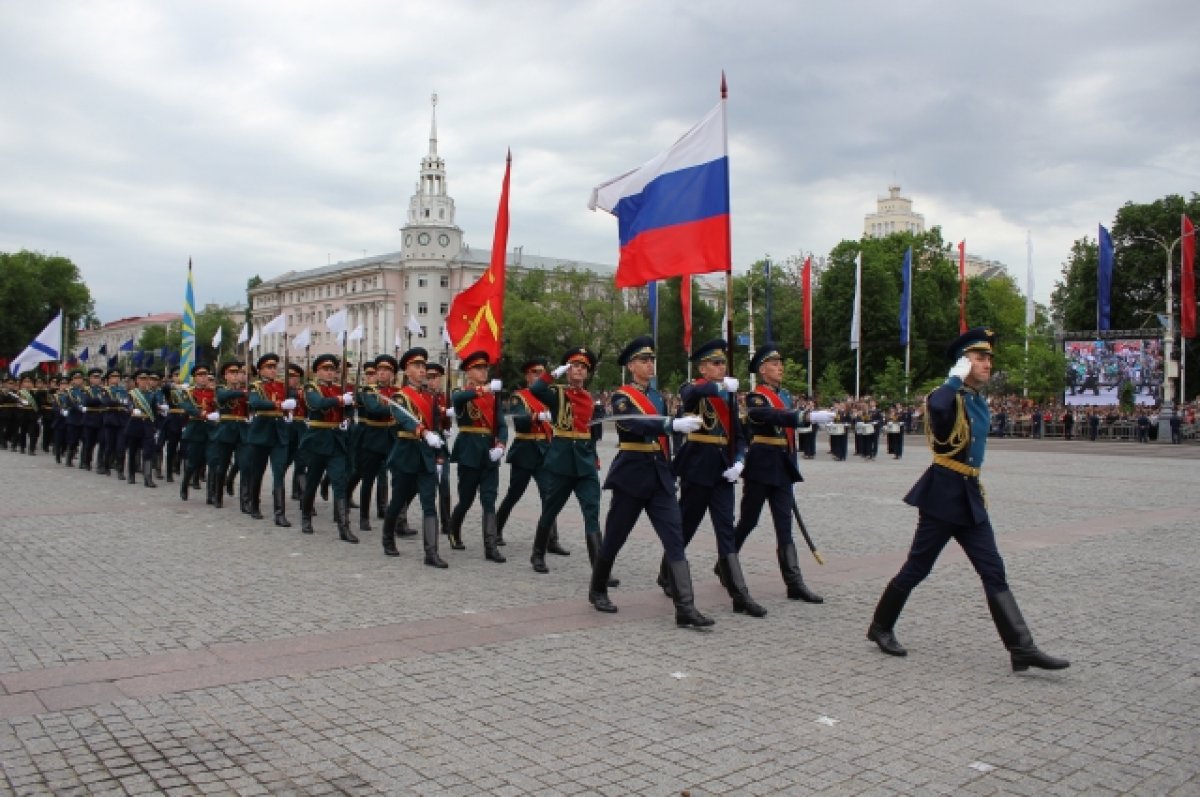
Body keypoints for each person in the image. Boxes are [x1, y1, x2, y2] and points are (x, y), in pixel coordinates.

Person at [866, 328, 1069, 672]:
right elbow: (938, 409)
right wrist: (953, 379)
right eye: (980, 357)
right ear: (963, 362)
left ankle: (1022, 647)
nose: (988, 363)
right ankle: (880, 627)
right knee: (918, 567)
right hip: (944, 494)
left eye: (989, 357)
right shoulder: (949, 395)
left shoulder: (975, 399)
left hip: (970, 494)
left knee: (993, 569)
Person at [588, 335, 714, 628]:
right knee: (615, 538)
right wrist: (669, 424)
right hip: (632, 474)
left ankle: (685, 607)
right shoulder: (622, 397)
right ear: (632, 366)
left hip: (659, 474)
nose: (650, 364)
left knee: (675, 539)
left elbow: (667, 431)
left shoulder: (657, 396)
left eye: (652, 360)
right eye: (644, 360)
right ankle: (597, 589)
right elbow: (632, 423)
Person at [670, 339, 766, 618]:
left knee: (725, 529)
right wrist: (721, 386)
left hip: (723, 470)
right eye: (715, 363)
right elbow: (690, 394)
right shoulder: (694, 389)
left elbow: (739, 435)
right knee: (686, 526)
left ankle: (740, 594)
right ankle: (667, 573)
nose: (721, 367)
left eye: (723, 362)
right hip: (697, 468)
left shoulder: (728, 397)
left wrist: (739, 461)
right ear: (702, 367)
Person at [732, 342, 831, 603]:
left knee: (784, 526)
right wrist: (806, 417)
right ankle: (726, 562)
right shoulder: (756, 397)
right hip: (761, 466)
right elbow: (773, 416)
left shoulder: (784, 395)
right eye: (774, 365)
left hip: (782, 465)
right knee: (748, 520)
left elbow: (789, 435)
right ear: (763, 370)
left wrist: (793, 470)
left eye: (780, 364)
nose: (780, 368)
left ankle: (794, 582)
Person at [528, 347, 612, 582]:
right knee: (551, 509)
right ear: (567, 370)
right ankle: (537, 554)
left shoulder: (589, 399)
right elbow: (536, 389)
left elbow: (593, 433)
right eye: (575, 365)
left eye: (584, 367)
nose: (579, 370)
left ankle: (599, 569)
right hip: (561, 461)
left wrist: (594, 457)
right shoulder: (556, 393)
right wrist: (553, 373)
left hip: (585, 463)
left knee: (592, 513)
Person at [378, 347, 448, 567]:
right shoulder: (399, 397)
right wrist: (423, 432)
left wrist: (439, 456)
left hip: (426, 456)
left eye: (423, 366)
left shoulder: (430, 396)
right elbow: (404, 420)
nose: (421, 370)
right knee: (399, 500)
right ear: (407, 370)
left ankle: (431, 552)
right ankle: (388, 538)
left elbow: (436, 426)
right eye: (416, 366)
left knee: (429, 503)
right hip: (406, 454)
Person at [497, 358, 569, 557]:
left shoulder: (547, 395)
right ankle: (495, 530)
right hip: (525, 451)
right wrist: (538, 417)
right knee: (514, 495)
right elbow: (520, 421)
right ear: (527, 376)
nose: (538, 376)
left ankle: (551, 540)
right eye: (535, 372)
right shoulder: (519, 397)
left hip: (544, 451)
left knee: (549, 497)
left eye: (541, 372)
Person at [447, 350, 508, 562]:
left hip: (489, 454)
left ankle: (490, 547)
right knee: (466, 498)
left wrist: (501, 445)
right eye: (478, 368)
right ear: (469, 372)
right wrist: (484, 389)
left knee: (489, 499)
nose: (483, 371)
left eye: (485, 368)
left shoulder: (492, 397)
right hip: (469, 453)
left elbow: (501, 424)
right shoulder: (463, 392)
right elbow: (458, 398)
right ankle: (453, 530)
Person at [299, 353, 357, 543]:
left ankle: (343, 526)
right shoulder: (311, 388)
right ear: (317, 372)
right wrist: (341, 400)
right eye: (325, 369)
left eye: (332, 369)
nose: (330, 373)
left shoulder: (339, 389)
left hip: (336, 440)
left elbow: (349, 410)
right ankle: (306, 517)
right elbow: (318, 404)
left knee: (340, 482)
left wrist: (347, 419)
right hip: (317, 440)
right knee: (313, 481)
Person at [246, 353, 298, 525]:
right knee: (257, 472)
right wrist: (278, 405)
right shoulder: (256, 386)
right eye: (268, 367)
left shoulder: (283, 387)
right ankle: (254, 504)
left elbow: (294, 399)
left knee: (279, 473)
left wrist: (290, 405)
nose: (272, 370)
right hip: (261, 433)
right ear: (260, 370)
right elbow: (255, 403)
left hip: (279, 434)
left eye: (274, 367)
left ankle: (279, 513)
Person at [177, 365, 215, 501]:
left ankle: (211, 494)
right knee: (193, 462)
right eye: (200, 375)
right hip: (195, 429)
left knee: (212, 462)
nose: (204, 377)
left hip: (211, 430)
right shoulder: (189, 392)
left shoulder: (213, 392)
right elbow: (186, 406)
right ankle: (185, 484)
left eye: (205, 375)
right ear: (194, 378)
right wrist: (199, 413)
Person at [123, 369, 164, 488]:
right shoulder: (132, 393)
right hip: (135, 425)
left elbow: (155, 411)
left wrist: (156, 426)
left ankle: (148, 478)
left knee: (148, 452)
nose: (144, 381)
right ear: (136, 381)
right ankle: (131, 475)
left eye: (146, 379)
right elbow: (128, 404)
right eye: (141, 379)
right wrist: (132, 409)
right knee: (133, 451)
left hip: (147, 425)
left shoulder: (152, 394)